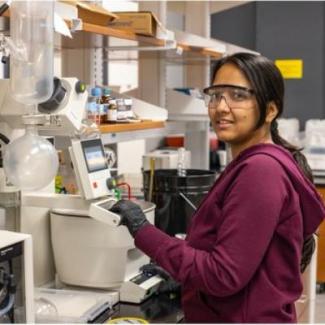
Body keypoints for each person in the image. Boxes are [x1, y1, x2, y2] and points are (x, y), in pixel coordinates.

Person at [111, 53, 325, 323]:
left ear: (271, 110)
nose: (221, 107)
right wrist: (184, 281)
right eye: (215, 95)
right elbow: (244, 263)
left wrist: (143, 230)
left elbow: (223, 275)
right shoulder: (254, 163)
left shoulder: (261, 170)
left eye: (238, 96)